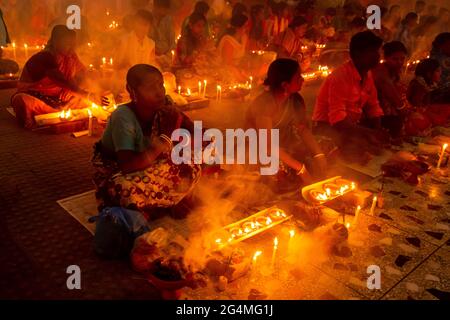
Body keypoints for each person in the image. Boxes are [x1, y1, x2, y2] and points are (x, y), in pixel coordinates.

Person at [92, 64, 201, 214]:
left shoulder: (165, 106)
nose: (159, 93)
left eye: (160, 85)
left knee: (193, 163)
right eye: (151, 88)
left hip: (152, 168)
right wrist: (165, 138)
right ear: (132, 91)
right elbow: (128, 166)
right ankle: (163, 204)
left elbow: (195, 132)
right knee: (123, 188)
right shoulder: (123, 117)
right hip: (121, 173)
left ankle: (164, 202)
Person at [246, 59, 326, 188]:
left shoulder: (295, 99)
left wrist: (319, 155)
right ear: (285, 85)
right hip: (258, 151)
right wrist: (301, 169)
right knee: (276, 171)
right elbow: (268, 147)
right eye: (298, 77)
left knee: (326, 146)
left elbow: (303, 129)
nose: (302, 79)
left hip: (283, 146)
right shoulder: (265, 104)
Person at [312, 31, 387, 163]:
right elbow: (337, 120)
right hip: (328, 127)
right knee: (357, 147)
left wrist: (377, 131)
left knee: (375, 143)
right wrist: (368, 133)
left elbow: (373, 106)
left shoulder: (367, 75)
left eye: (378, 52)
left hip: (351, 125)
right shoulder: (340, 77)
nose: (377, 56)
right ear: (358, 54)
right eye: (373, 52)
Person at [11, 25, 90, 129]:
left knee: (83, 96)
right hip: (35, 95)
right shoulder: (45, 56)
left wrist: (81, 90)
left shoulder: (70, 56)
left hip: (59, 97)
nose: (71, 48)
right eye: (67, 44)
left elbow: (83, 75)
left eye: (73, 44)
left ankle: (62, 107)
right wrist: (86, 95)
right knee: (22, 101)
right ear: (56, 41)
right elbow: (62, 81)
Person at [372, 41, 409, 139]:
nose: (400, 62)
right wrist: (403, 109)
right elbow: (393, 95)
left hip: (391, 113)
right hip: (379, 117)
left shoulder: (395, 72)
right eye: (395, 59)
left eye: (402, 59)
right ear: (386, 58)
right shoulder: (380, 72)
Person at [406, 58, 450, 132]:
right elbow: (417, 106)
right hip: (416, 112)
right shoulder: (419, 85)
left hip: (426, 109)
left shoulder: (430, 84)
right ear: (429, 74)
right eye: (437, 71)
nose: (440, 74)